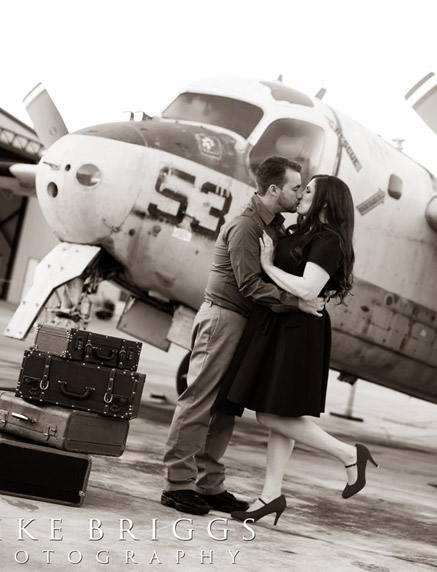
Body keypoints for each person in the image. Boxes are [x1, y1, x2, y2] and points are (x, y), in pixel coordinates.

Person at [160, 156, 325, 516]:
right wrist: (297, 302)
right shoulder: (248, 226)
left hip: (245, 324)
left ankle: (207, 484)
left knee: (224, 407)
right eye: (296, 188)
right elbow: (250, 285)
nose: (300, 194)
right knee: (199, 400)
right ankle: (178, 484)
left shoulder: (274, 227)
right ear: (273, 189)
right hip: (224, 318)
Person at [214, 174, 377, 526]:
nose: (302, 195)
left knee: (271, 414)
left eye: (309, 191)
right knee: (282, 416)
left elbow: (308, 288)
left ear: (326, 201)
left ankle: (349, 455)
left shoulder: (329, 240)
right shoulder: (300, 232)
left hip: (300, 329)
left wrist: (270, 266)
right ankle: (270, 496)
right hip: (282, 326)